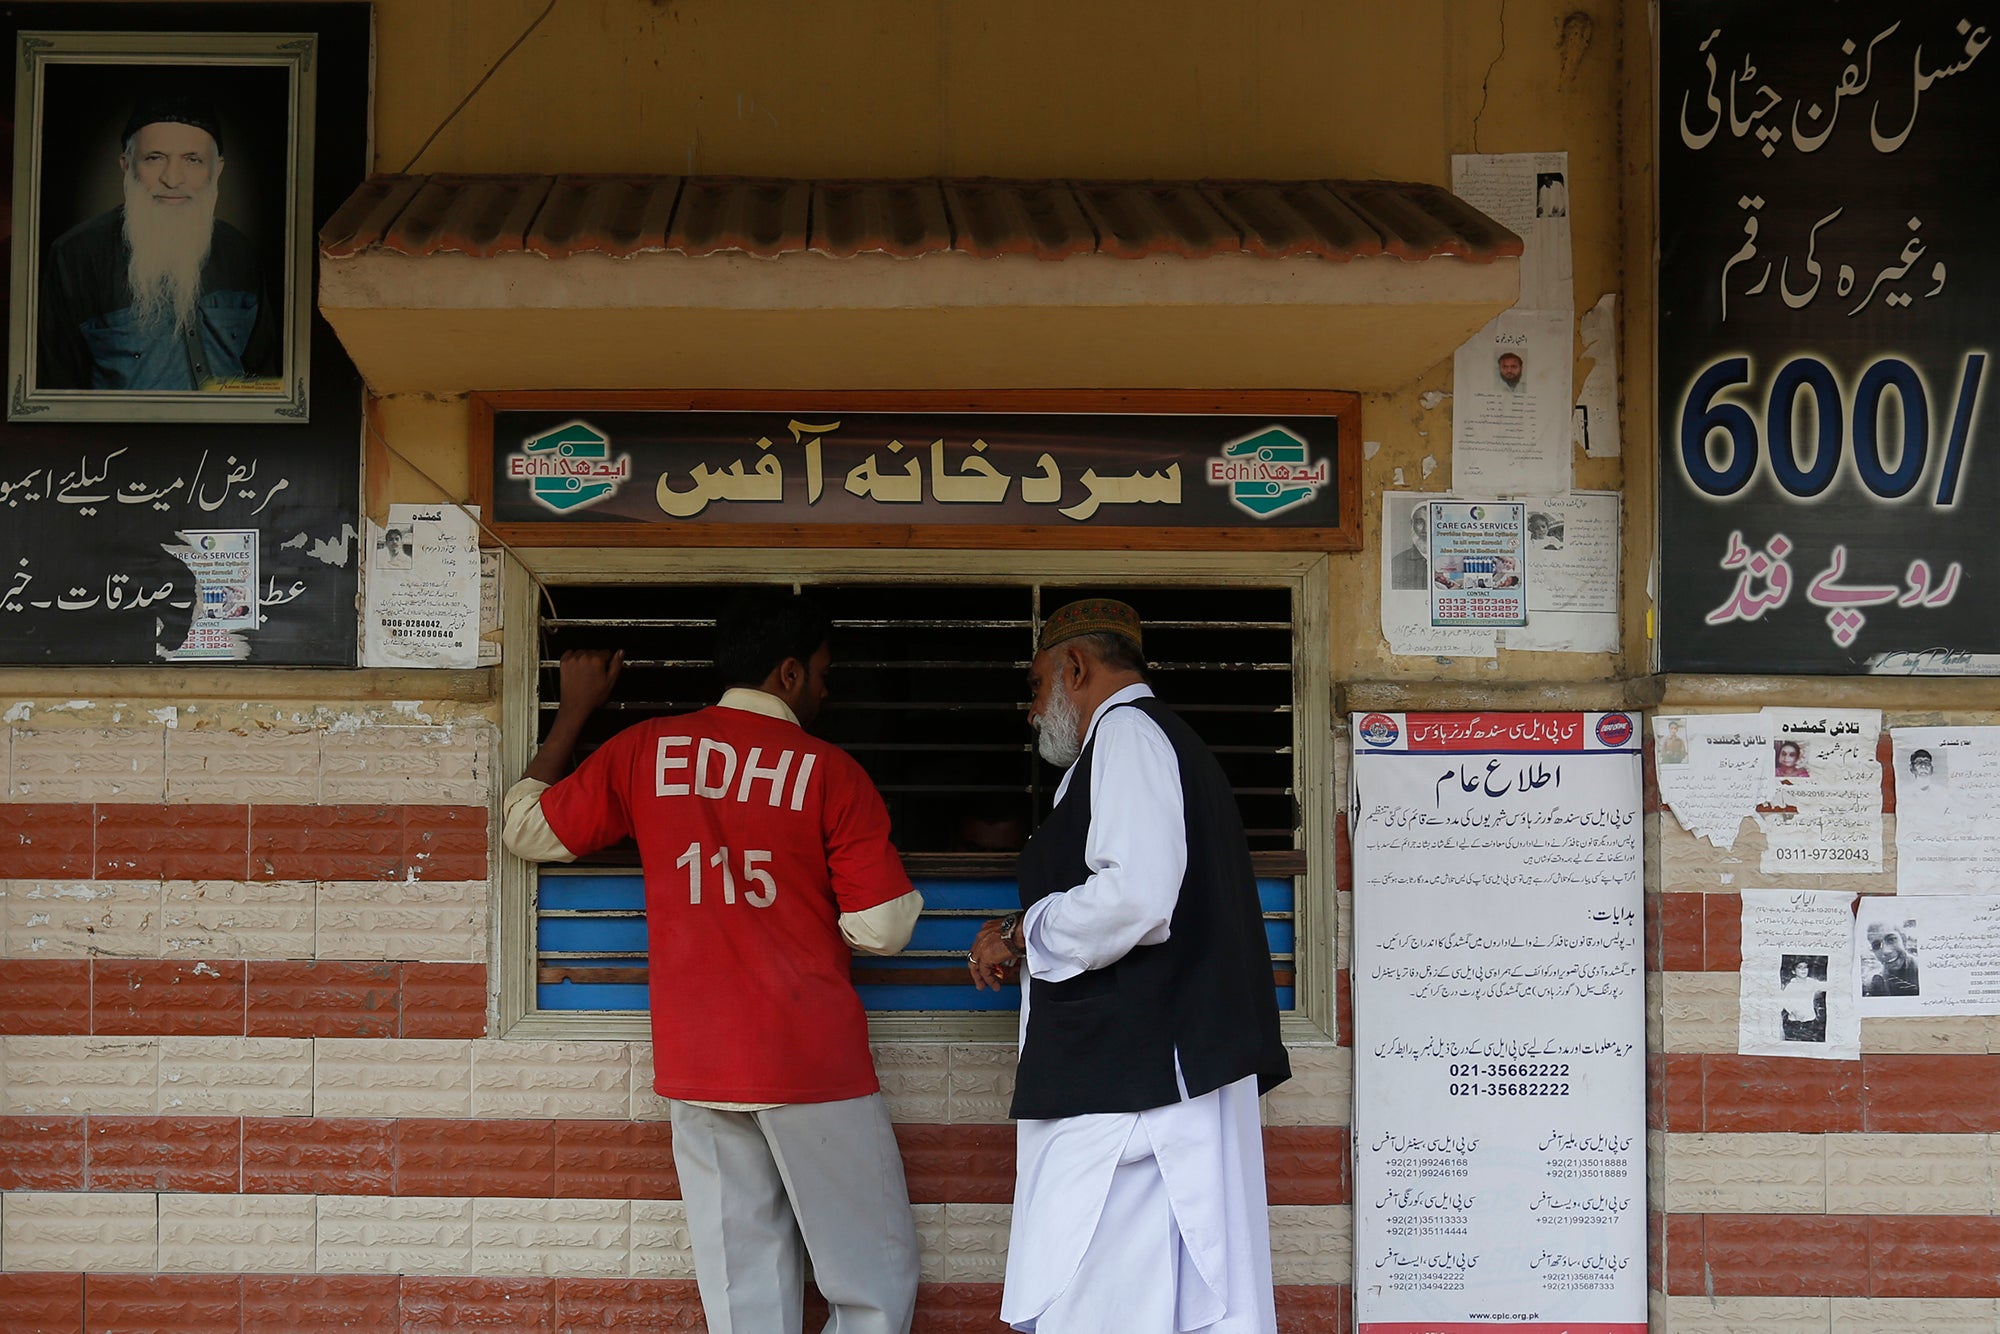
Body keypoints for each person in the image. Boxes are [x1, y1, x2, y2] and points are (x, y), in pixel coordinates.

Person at [501, 591, 923, 1334]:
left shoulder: (643, 751)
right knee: (869, 1280)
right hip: (810, 1059)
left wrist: (572, 713)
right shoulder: (829, 772)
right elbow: (883, 928)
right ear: (788, 674)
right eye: (823, 673)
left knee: (742, 1288)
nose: (828, 689)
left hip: (699, 1059)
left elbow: (529, 830)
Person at [967, 598, 1291, 1334]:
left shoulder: (1129, 736)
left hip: (1135, 1093)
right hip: (1140, 1078)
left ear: (1074, 667)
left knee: (1102, 1295)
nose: (1029, 711)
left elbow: (1137, 898)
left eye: (1034, 685)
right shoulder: (1152, 743)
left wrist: (1025, 933)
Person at [38, 92, 279, 391]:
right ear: (126, 165)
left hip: (230, 438)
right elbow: (56, 391)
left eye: (192, 160)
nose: (173, 178)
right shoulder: (74, 255)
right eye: (154, 158)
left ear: (217, 169)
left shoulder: (240, 252)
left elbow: (268, 380)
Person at [1863, 923, 1920, 997]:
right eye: (1876, 945)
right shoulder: (1875, 983)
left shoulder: (1924, 972)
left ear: (1904, 940)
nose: (1885, 951)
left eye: (1891, 940)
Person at [1779, 958, 1826, 1042]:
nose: (1803, 969)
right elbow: (1784, 1001)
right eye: (1800, 967)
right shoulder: (1791, 986)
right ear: (1793, 971)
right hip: (1795, 1022)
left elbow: (1824, 986)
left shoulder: (1811, 982)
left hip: (1810, 1020)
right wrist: (1793, 1011)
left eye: (1805, 967)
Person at [1389, 500, 1431, 590]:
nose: (1426, 529)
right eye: (1420, 522)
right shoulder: (1398, 562)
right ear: (1412, 524)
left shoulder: (1451, 560)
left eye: (1431, 521)